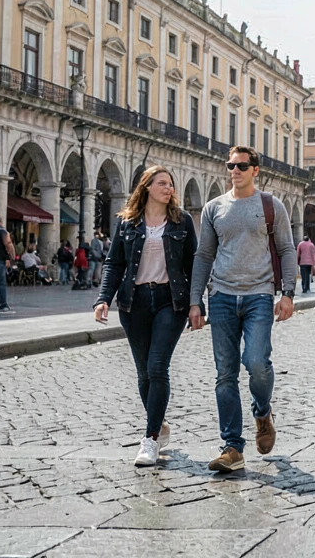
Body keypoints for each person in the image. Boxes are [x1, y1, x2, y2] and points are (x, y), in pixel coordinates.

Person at [191, 146, 298, 473]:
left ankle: (262, 413)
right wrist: (196, 300)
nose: (234, 170)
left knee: (256, 362)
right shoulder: (213, 208)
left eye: (241, 166)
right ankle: (232, 448)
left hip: (259, 296)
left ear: (255, 170)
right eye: (231, 165)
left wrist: (288, 293)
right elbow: (204, 256)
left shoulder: (271, 206)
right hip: (221, 296)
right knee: (225, 374)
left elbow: (286, 249)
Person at [95, 165, 200, 467]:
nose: (169, 189)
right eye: (162, 183)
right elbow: (115, 263)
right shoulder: (128, 223)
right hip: (134, 302)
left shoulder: (182, 221)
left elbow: (194, 265)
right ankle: (159, 421)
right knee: (143, 374)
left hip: (170, 301)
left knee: (157, 367)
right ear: (147, 187)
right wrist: (103, 299)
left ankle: (150, 438)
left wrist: (196, 304)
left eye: (171, 184)